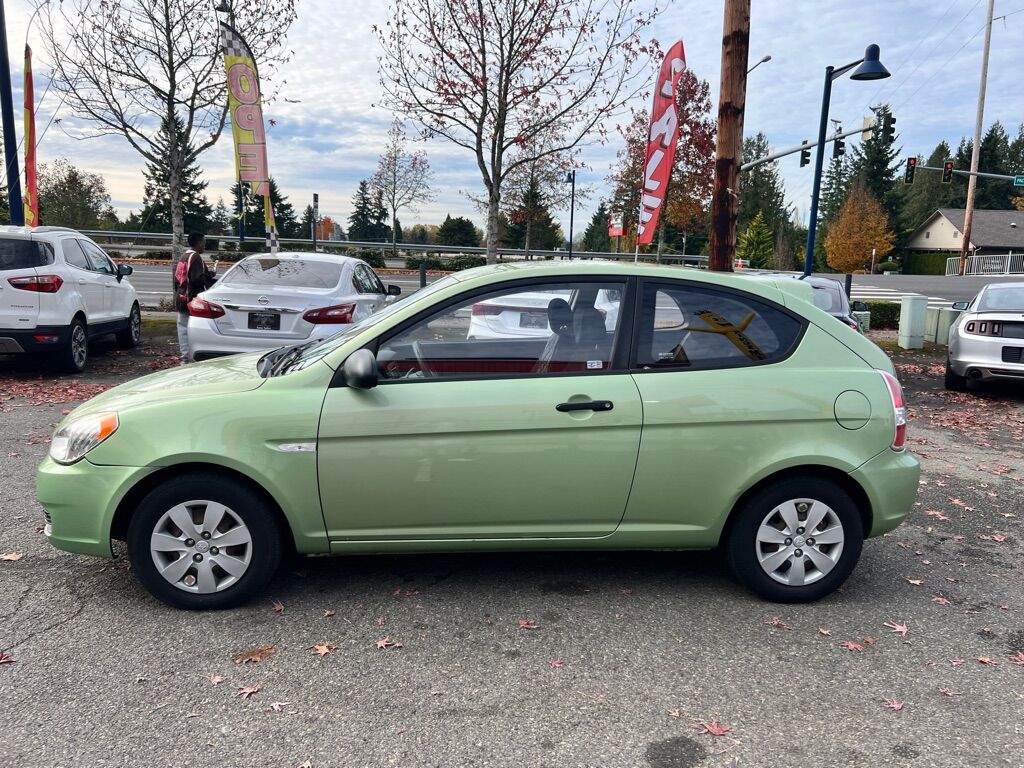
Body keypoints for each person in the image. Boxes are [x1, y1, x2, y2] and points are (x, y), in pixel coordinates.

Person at [174, 232, 215, 363]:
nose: (204, 246)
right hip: (191, 299)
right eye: (204, 243)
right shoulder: (195, 257)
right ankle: (189, 358)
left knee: (182, 328)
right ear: (199, 243)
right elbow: (197, 279)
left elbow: (178, 278)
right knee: (193, 328)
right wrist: (210, 276)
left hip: (181, 297)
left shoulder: (184, 256)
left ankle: (184, 357)